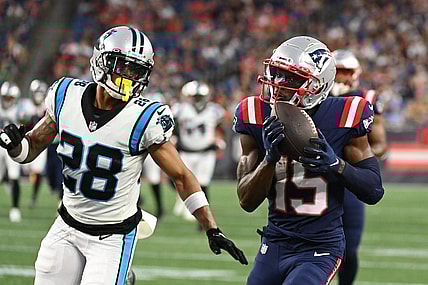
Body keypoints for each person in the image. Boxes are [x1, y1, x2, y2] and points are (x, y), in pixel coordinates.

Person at [0, 26, 247, 285]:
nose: (129, 77)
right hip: (66, 225)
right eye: (123, 66)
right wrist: (16, 146)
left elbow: (182, 176)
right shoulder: (65, 96)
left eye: (137, 70)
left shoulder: (144, 118)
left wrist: (211, 228)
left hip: (112, 236)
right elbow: (30, 149)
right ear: (100, 60)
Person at [232, 36, 384, 285]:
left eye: (290, 78)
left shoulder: (345, 114)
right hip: (275, 242)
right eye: (276, 74)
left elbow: (374, 190)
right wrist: (269, 159)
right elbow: (246, 201)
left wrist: (337, 165)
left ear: (318, 84)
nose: (278, 85)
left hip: (320, 247)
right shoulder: (254, 114)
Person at [331, 49, 388, 285]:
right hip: (318, 179)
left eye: (345, 72)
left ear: (355, 74)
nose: (340, 78)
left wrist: (355, 160)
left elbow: (380, 144)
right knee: (317, 248)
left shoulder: (367, 99)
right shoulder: (314, 97)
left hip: (349, 180)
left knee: (350, 249)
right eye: (336, 72)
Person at [171, 80, 226, 222]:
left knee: (203, 183)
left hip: (206, 152)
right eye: (194, 97)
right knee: (181, 181)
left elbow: (221, 126)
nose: (197, 100)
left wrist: (218, 139)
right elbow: (173, 126)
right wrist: (174, 138)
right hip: (185, 151)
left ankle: (204, 217)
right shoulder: (179, 109)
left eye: (199, 97)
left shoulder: (214, 110)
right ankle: (185, 204)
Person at [20, 79, 49, 208]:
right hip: (25, 140)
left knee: (38, 171)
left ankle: (34, 197)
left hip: (40, 142)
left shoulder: (47, 106)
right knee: (19, 168)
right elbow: (21, 121)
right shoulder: (25, 104)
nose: (38, 95)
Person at [140, 90, 167, 219]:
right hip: (137, 144)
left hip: (152, 145)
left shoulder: (156, 98)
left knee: (154, 178)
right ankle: (138, 200)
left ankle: (160, 207)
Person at [0, 81, 23, 222]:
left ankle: (15, 208)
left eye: (10, 98)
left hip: (12, 146)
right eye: (5, 97)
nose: (7, 100)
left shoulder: (20, 110)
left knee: (14, 176)